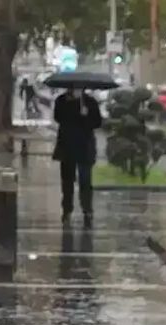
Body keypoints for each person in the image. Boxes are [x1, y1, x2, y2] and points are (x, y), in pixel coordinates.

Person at [53, 88, 102, 228]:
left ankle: (87, 210)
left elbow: (97, 122)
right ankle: (67, 210)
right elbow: (57, 117)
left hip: (84, 147)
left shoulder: (89, 102)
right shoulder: (61, 101)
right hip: (67, 146)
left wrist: (86, 115)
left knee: (85, 181)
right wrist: (71, 108)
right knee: (67, 182)